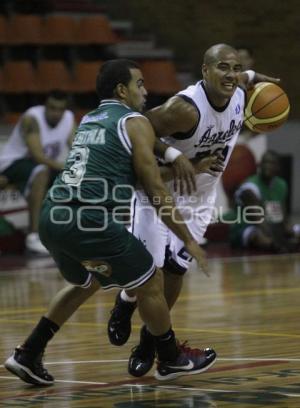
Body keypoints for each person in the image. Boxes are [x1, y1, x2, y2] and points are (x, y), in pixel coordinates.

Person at [4, 59, 218, 386]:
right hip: (87, 219)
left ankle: (29, 353)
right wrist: (187, 238)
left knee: (84, 282)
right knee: (151, 282)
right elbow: (153, 187)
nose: (146, 92)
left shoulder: (90, 120)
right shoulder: (135, 121)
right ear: (122, 90)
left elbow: (128, 176)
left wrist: (184, 165)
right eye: (140, 84)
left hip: (53, 216)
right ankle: (171, 357)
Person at [106, 44, 280, 378]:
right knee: (149, 275)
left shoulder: (242, 88)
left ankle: (148, 344)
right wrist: (177, 158)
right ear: (205, 71)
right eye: (222, 68)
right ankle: (126, 301)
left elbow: (247, 74)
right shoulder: (183, 110)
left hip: (200, 199)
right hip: (157, 192)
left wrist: (259, 77)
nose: (231, 75)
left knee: (175, 271)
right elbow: (135, 129)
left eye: (236, 69)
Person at [0, 90, 76, 254]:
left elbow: (77, 148)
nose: (55, 113)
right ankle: (34, 236)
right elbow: (37, 156)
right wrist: (66, 167)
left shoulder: (69, 118)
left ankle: (71, 232)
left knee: (71, 178)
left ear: (65, 109)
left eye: (60, 109)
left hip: (42, 166)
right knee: (41, 171)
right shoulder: (32, 118)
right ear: (45, 106)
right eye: (52, 108)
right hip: (13, 163)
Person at [229, 150, 300, 252]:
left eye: (271, 163)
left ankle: (279, 244)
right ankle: (274, 245)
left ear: (278, 167)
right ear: (259, 165)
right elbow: (258, 220)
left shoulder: (281, 185)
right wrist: (281, 239)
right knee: (257, 235)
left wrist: (290, 231)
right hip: (245, 227)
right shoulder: (250, 187)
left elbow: (282, 217)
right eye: (265, 162)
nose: (267, 166)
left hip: (272, 228)